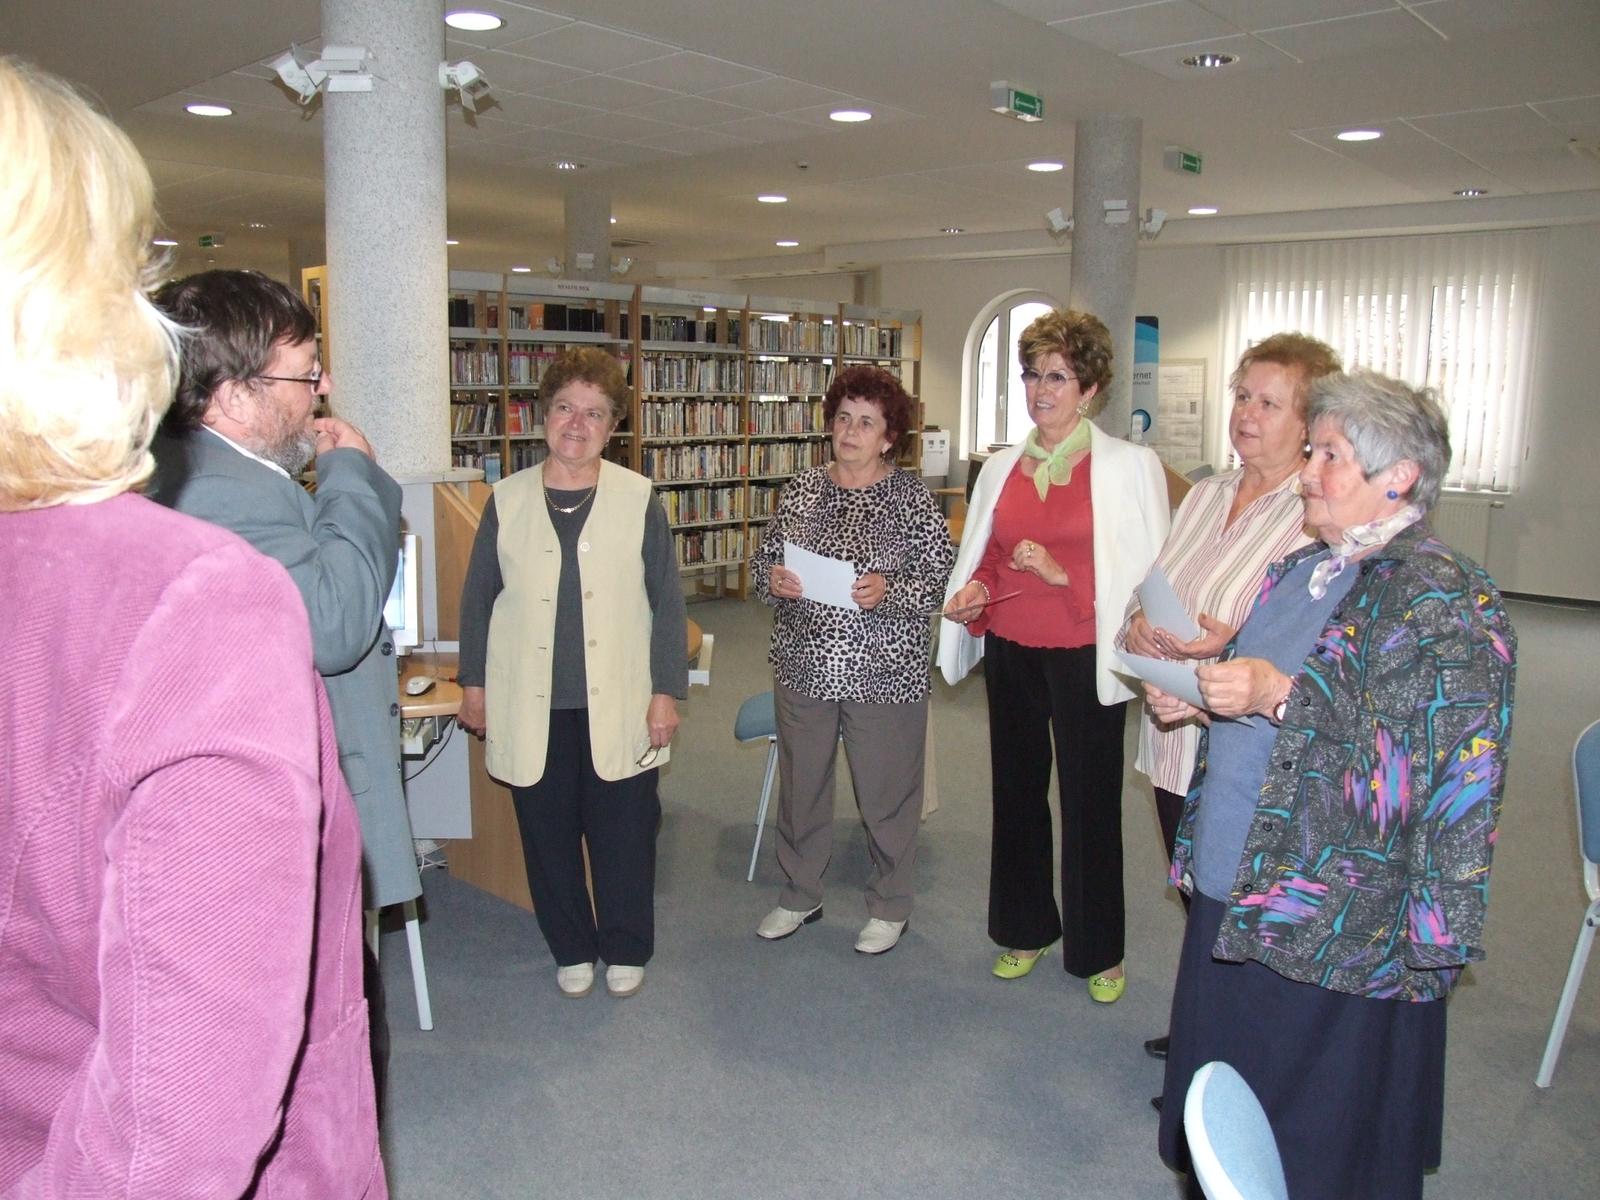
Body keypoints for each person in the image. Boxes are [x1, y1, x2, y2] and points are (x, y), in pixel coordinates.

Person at [0, 56, 384, 1196]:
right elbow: (178, 1126)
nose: (320, 393)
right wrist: (358, 480)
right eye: (133, 264)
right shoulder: (191, 596)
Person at [1149, 369, 1517, 1200]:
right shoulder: (1306, 567)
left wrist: (1276, 695)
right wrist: (1206, 699)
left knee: (1310, 1130)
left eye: (1330, 456)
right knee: (1232, 1092)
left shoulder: (1444, 594)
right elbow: (1280, 692)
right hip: (1239, 873)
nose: (1307, 473)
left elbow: (1445, 765)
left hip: (1332, 914)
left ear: (1400, 477)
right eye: (1311, 451)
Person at [149, 268, 418, 1109]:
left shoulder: (201, 471)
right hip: (275, 811)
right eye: (305, 374)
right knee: (329, 1034)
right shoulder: (221, 493)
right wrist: (351, 476)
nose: (322, 388)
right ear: (233, 396)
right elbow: (335, 622)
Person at [1119, 332, 1340, 1063]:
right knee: (1196, 891)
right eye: (1243, 396)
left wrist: (1230, 644)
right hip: (1171, 729)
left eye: (1269, 403)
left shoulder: (1315, 511)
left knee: (1246, 899)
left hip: (1246, 747)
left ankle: (1241, 1049)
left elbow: (1310, 639)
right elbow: (1154, 584)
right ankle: (1208, 1026)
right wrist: (1141, 622)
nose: (1247, 413)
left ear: (1308, 422)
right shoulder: (1207, 492)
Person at [940, 308, 1169, 1000]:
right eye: (1033, 375)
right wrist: (977, 591)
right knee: (1015, 793)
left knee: (1090, 801)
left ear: (1090, 388)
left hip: (1084, 651)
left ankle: (1099, 949)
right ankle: (1026, 927)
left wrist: (1064, 576)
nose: (1042, 390)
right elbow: (990, 554)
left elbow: (1149, 574)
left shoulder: (1129, 466)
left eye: (1059, 377)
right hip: (1012, 648)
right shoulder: (1002, 466)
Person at [457, 347, 687, 1000]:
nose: (577, 424)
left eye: (594, 413)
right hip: (530, 702)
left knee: (625, 833)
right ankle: (571, 946)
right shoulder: (505, 500)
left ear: (613, 426)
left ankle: (626, 945)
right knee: (547, 835)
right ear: (544, 415)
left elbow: (667, 604)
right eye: (565, 408)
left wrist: (665, 694)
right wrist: (473, 685)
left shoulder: (639, 499)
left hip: (621, 698)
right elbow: (477, 600)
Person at [749, 365, 956, 955]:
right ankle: (799, 894)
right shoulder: (802, 488)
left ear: (889, 438)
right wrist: (773, 580)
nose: (850, 431)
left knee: (886, 794)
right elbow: (763, 563)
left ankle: (890, 905)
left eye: (867, 422)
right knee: (802, 790)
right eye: (843, 418)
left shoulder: (910, 497)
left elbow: (941, 580)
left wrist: (890, 589)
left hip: (883, 671)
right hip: (803, 665)